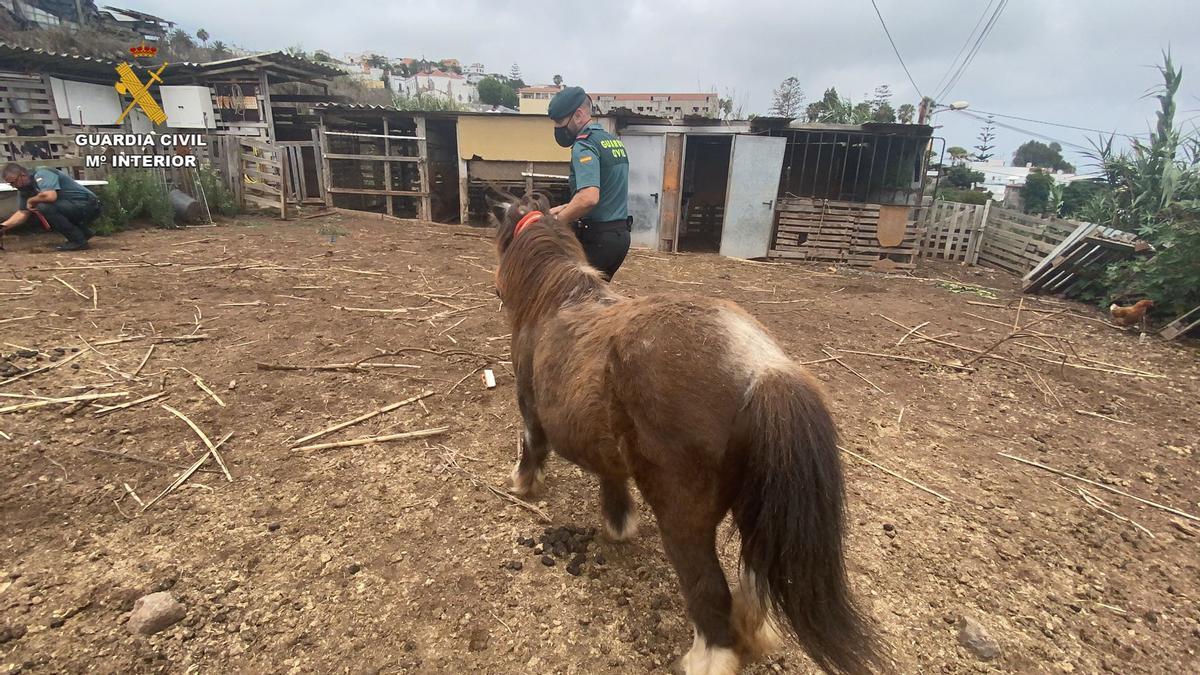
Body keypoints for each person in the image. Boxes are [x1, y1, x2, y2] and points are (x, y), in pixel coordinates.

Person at [547, 86, 631, 280]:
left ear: (578, 115)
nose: (558, 128)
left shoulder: (584, 145)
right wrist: (562, 208)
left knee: (567, 301)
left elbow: (588, 198)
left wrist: (556, 223)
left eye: (560, 121)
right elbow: (605, 196)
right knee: (593, 302)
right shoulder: (611, 141)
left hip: (597, 239)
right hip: (620, 238)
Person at [0, 162, 101, 251]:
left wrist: (31, 200)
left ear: (23, 174)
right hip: (73, 206)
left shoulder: (43, 173)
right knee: (41, 207)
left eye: (14, 182)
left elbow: (50, 196)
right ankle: (83, 233)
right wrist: (3, 227)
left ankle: (78, 241)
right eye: (10, 184)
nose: (13, 186)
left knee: (44, 207)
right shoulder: (25, 188)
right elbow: (23, 212)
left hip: (89, 205)